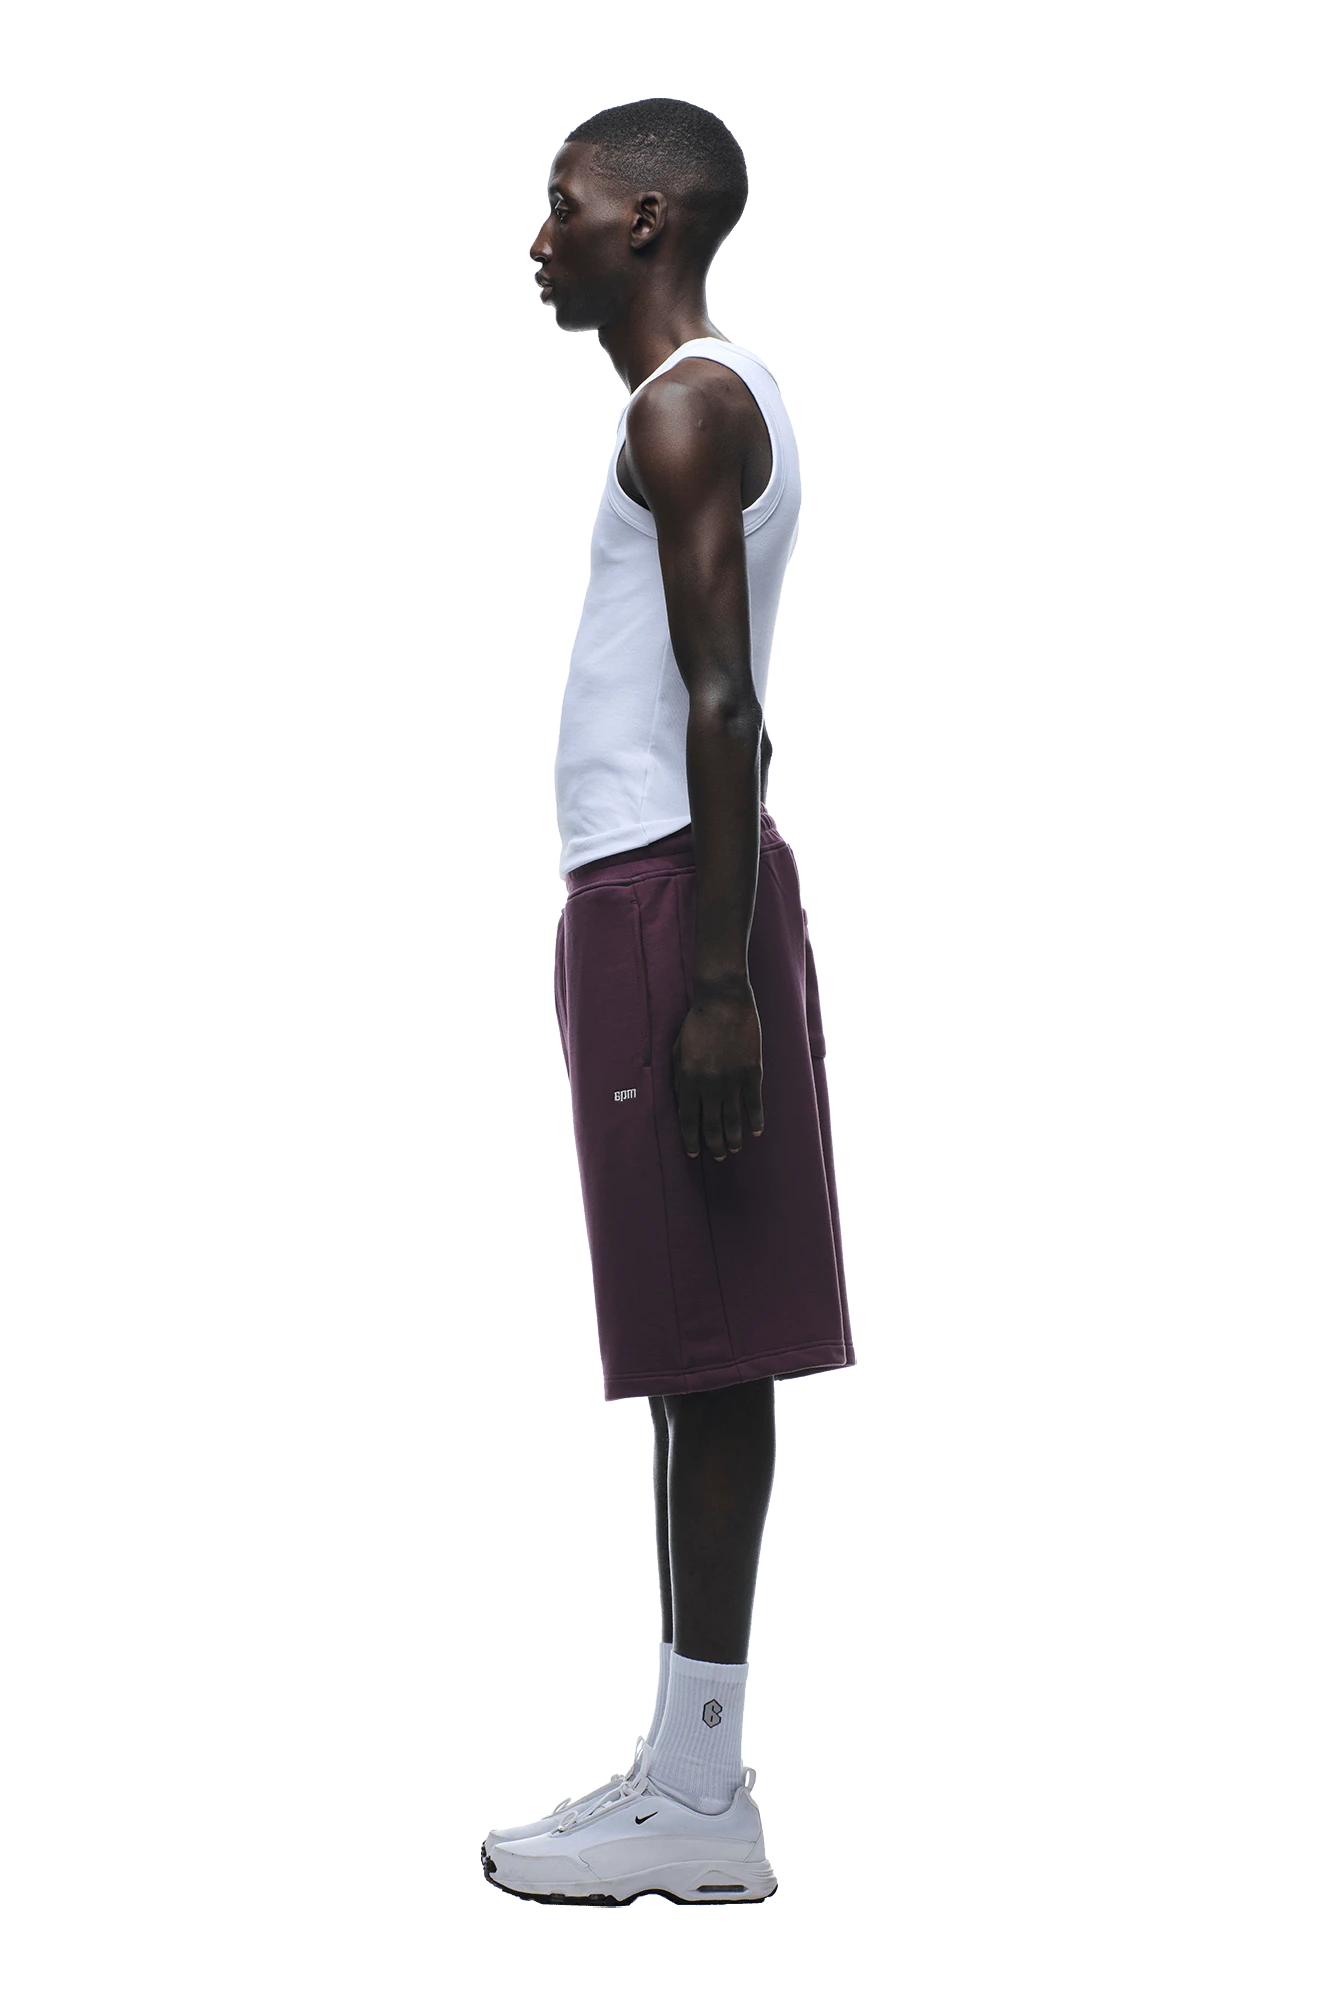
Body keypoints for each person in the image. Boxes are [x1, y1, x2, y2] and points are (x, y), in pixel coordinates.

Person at [484, 98, 853, 1907]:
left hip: (668, 897)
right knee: (710, 1340)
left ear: (644, 220)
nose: (539, 235)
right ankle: (696, 1766)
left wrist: (712, 982)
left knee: (705, 1339)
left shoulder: (686, 406)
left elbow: (725, 700)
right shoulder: (712, 396)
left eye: (562, 206)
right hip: (676, 890)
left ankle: (701, 1793)